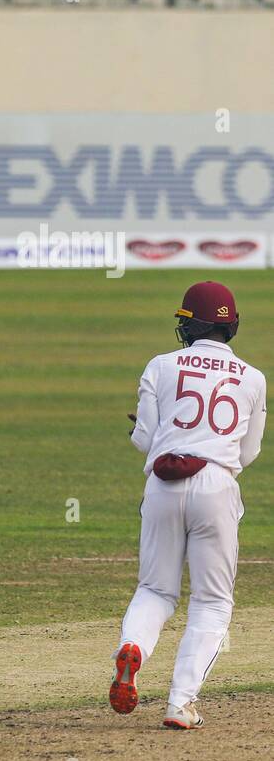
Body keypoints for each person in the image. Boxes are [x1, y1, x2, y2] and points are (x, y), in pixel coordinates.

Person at [112, 281, 266, 730]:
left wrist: (146, 434)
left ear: (189, 324)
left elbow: (144, 438)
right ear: (231, 326)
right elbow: (249, 453)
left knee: (156, 590)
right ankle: (180, 703)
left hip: (163, 482)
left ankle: (134, 648)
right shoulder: (254, 378)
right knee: (213, 602)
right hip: (217, 485)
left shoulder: (160, 366)